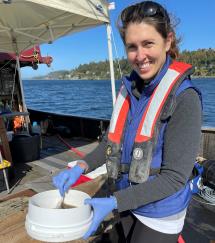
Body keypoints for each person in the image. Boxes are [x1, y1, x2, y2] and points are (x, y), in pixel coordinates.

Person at [52, 1, 202, 242]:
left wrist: (115, 202)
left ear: (168, 41)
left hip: (160, 214)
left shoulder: (185, 98)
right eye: (132, 47)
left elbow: (174, 178)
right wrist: (79, 167)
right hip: (129, 202)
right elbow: (109, 144)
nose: (140, 55)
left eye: (148, 44)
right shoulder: (129, 89)